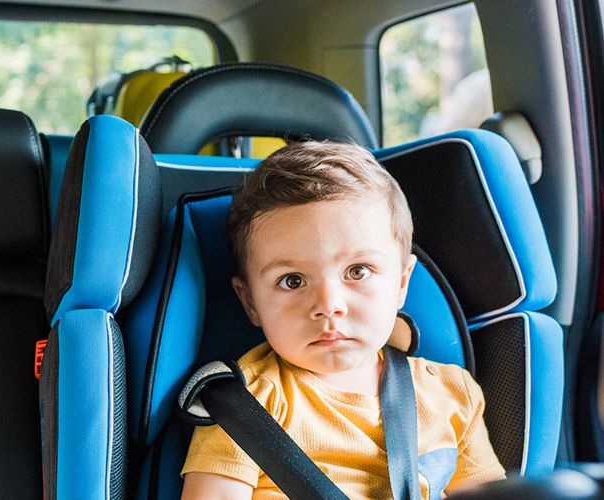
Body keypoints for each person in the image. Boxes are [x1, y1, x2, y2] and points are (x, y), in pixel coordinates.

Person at [181, 142, 505, 500]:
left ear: (401, 284)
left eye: (357, 271)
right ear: (251, 302)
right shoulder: (246, 403)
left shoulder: (453, 394)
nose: (328, 305)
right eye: (292, 281)